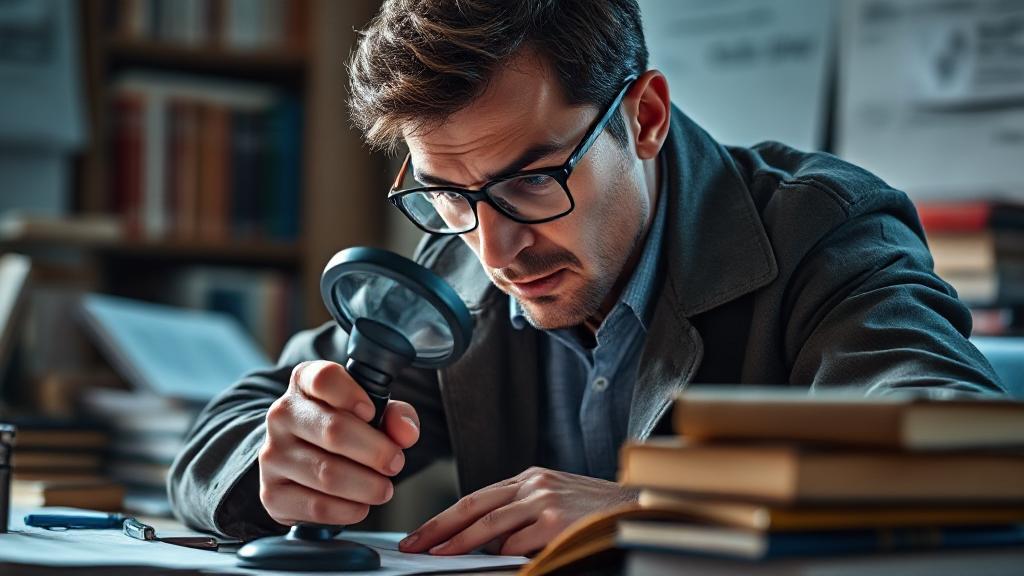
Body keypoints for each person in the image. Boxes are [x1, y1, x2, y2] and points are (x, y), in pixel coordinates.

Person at [168, 0, 1005, 558]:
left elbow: (965, 451)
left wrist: (660, 510)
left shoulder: (822, 228)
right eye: (449, 195)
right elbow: (221, 435)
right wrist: (284, 456)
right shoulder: (461, 264)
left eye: (534, 180)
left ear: (643, 117)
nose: (497, 251)